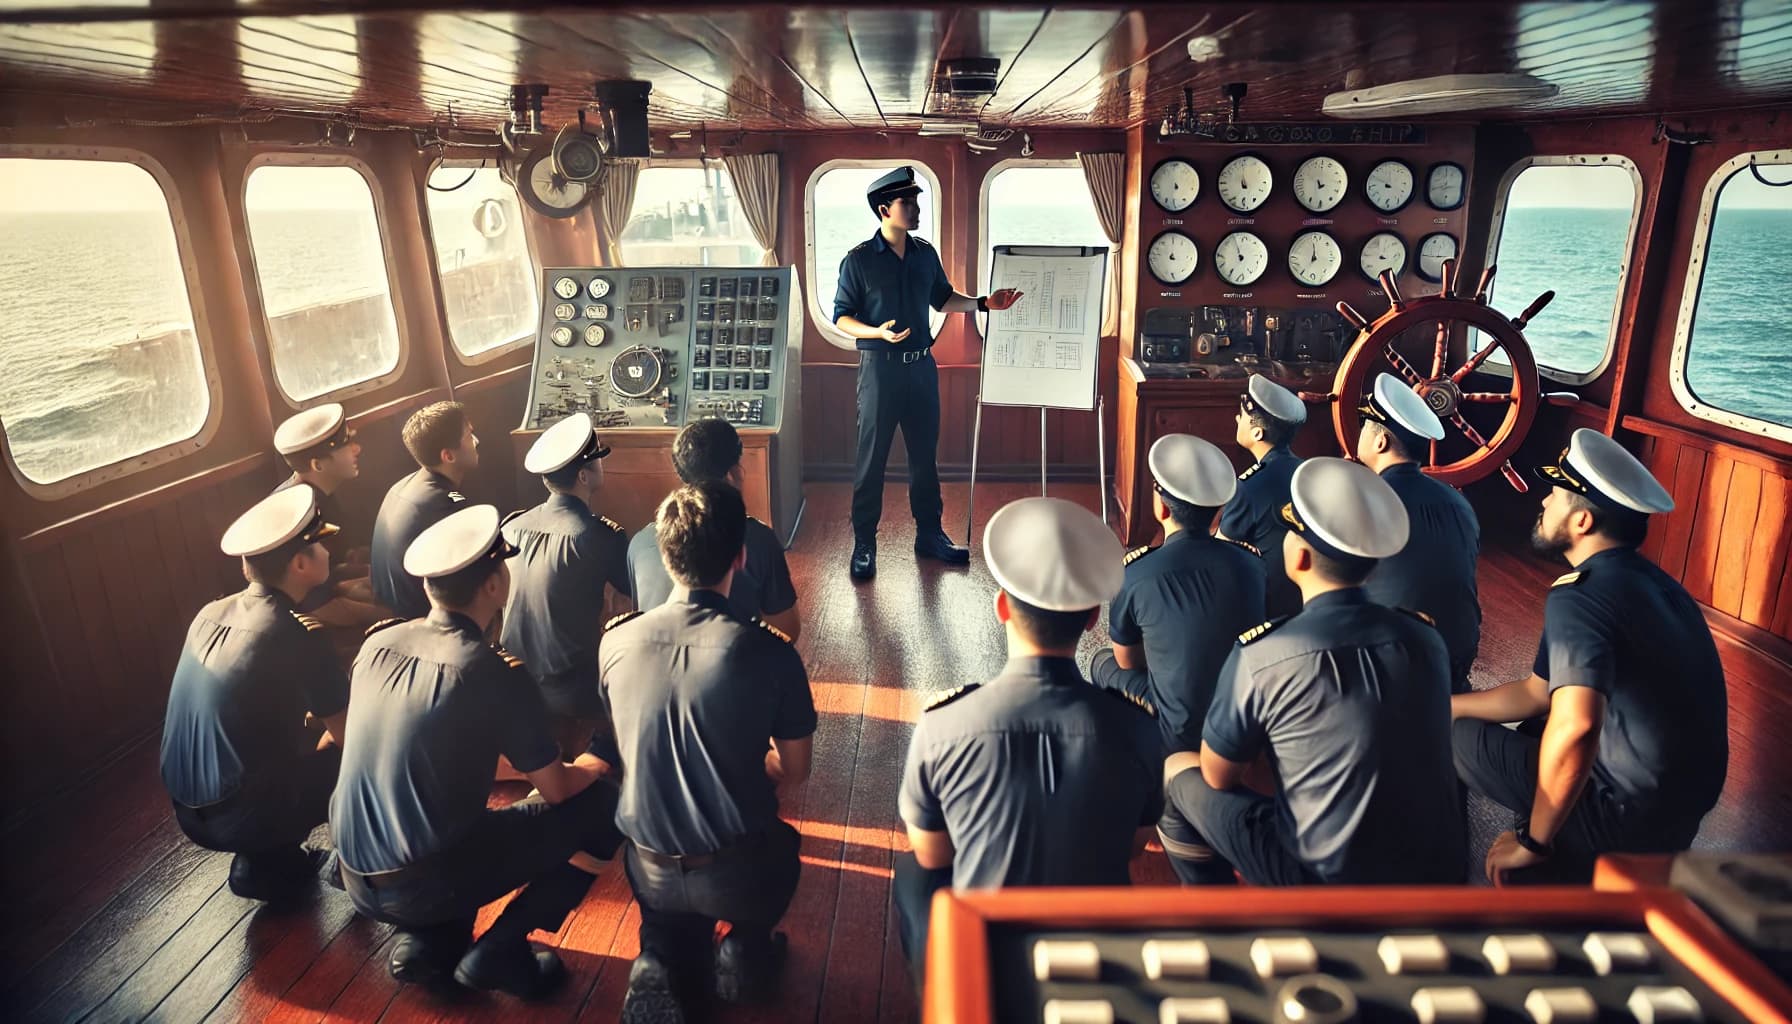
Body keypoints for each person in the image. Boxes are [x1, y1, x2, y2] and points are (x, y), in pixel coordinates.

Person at [330, 505, 622, 997]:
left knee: (456, 820)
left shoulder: (377, 644)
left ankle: (430, 944)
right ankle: (504, 948)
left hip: (354, 872)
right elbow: (556, 790)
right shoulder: (492, 671)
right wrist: (593, 765)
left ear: (428, 587)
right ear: (495, 585)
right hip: (424, 879)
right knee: (602, 806)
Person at [1159, 458, 1463, 886]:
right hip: (1436, 878)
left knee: (1178, 771)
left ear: (1299, 555)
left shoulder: (1263, 654)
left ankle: (1217, 916)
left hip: (1323, 884)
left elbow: (1218, 773)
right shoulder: (1426, 638)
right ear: (1371, 564)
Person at [895, 497, 1161, 981]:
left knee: (914, 874)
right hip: (1097, 960)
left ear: (1001, 607)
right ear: (1090, 619)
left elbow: (935, 854)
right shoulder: (1138, 726)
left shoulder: (943, 726)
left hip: (991, 964)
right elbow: (1134, 847)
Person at [1452, 428, 1727, 884]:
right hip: (1677, 813)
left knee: (1456, 739)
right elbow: (1537, 693)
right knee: (1532, 721)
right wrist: (1447, 704)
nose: (1543, 503)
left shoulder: (1581, 596)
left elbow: (1578, 726)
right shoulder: (1657, 586)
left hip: (1624, 814)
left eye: (1556, 495)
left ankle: (1544, 847)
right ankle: (1563, 831)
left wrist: (1532, 842)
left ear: (1582, 522)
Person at [602, 481, 816, 1022]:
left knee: (671, 917)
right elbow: (795, 769)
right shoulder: (770, 654)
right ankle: (744, 945)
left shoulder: (615, 642)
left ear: (666, 556)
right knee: (784, 846)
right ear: (741, 558)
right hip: (737, 873)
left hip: (645, 863)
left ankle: (658, 958)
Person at [831, 165, 1023, 581]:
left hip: (921, 368)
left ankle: (930, 534)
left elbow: (942, 299)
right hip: (879, 371)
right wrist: (875, 331)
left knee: (924, 459)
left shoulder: (925, 254)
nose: (916, 208)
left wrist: (985, 303)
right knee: (872, 461)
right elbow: (841, 317)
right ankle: (865, 543)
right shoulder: (859, 261)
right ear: (885, 209)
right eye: (908, 202)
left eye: (917, 201)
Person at [159, 485, 348, 901]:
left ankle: (265, 864)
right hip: (242, 816)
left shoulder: (210, 612)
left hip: (187, 810)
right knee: (368, 752)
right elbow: (350, 735)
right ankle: (357, 863)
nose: (328, 551)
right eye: (320, 544)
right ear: (301, 563)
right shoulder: (296, 633)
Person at [1090, 433, 1267, 755]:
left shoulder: (1134, 572)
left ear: (1161, 507)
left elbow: (1127, 661)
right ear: (1218, 515)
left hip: (1179, 736)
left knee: (1101, 662)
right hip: (1242, 728)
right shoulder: (1252, 564)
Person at [501, 413, 630, 757]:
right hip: (572, 687)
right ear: (584, 476)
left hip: (512, 677)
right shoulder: (600, 535)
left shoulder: (511, 527)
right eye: (598, 462)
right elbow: (631, 601)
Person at [1356, 374, 1482, 693]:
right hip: (1456, 658)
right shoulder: (1460, 502)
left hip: (1390, 665)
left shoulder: (1365, 498)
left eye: (1364, 427)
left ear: (1380, 442)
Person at [627, 417, 800, 640]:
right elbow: (787, 632)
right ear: (734, 474)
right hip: (733, 664)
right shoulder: (756, 539)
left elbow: (636, 611)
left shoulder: (640, 542)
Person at [271, 402, 383, 628]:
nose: (357, 449)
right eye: (346, 445)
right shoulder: (299, 516)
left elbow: (332, 571)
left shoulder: (314, 494)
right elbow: (318, 607)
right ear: (317, 465)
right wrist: (399, 615)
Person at [369, 401, 478, 619]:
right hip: (416, 616)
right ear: (448, 456)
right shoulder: (443, 505)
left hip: (388, 598)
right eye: (468, 436)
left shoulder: (403, 485)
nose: (476, 441)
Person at [1217, 374, 1308, 619]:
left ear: (1258, 433)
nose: (1237, 418)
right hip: (1309, 596)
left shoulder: (1249, 486)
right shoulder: (1308, 471)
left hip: (1266, 606)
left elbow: (1221, 551)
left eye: (1243, 416)